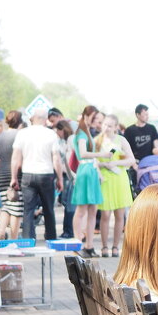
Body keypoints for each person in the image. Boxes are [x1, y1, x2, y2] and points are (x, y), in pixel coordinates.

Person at [10, 109, 62, 241]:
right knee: (48, 209)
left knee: (28, 209)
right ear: (46, 120)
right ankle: (50, 238)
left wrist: (14, 177)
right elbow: (56, 158)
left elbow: (15, 157)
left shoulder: (23, 133)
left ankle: (28, 239)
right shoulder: (51, 134)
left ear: (33, 118)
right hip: (46, 174)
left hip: (28, 174)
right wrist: (60, 179)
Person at [95, 114, 134, 258]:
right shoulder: (97, 141)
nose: (107, 128)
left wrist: (116, 163)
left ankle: (116, 246)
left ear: (116, 127)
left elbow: (130, 159)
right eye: (105, 124)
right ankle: (104, 246)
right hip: (105, 179)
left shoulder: (121, 140)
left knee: (120, 215)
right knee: (105, 214)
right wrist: (103, 164)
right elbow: (91, 160)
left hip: (119, 178)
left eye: (110, 125)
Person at [70, 106, 105, 258]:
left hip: (91, 170)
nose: (97, 121)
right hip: (85, 170)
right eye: (95, 118)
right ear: (88, 116)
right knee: (82, 210)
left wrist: (97, 170)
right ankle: (78, 243)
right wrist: (101, 154)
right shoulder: (82, 133)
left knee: (93, 210)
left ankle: (89, 245)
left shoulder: (87, 132)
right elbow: (83, 153)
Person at [0, 109, 24, 240]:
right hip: (16, 174)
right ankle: (14, 239)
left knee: (6, 205)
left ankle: (0, 233)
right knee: (16, 208)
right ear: (20, 121)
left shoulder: (0, 136)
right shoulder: (21, 135)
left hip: (2, 174)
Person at [55, 120, 76, 238]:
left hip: (70, 176)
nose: (57, 132)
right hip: (67, 175)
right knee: (67, 204)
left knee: (70, 205)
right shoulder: (64, 141)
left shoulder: (70, 140)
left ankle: (69, 231)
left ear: (63, 129)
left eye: (58, 130)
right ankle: (68, 231)